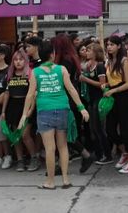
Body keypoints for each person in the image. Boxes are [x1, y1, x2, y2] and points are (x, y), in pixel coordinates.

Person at [18, 40, 90, 190]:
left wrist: (24, 115)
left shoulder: (35, 72)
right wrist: (81, 107)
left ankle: (50, 182)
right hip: (62, 109)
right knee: (63, 146)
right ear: (52, 55)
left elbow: (30, 95)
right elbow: (71, 89)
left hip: (44, 111)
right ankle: (65, 179)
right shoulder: (62, 69)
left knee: (50, 148)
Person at [53, 34, 95, 173]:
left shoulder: (65, 61)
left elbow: (65, 82)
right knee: (64, 134)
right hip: (69, 98)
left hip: (65, 99)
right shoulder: (71, 58)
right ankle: (63, 163)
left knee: (64, 133)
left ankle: (84, 155)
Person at [2, 49, 39, 172]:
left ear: (25, 60)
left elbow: (34, 94)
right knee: (15, 136)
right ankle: (20, 160)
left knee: (25, 135)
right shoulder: (10, 74)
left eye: (21, 59)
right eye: (15, 60)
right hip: (12, 106)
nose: (18, 62)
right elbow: (7, 93)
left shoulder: (30, 73)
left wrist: (31, 109)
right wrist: (3, 111)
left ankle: (34, 158)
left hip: (26, 105)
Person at [105, 35, 128, 173]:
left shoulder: (124, 60)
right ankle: (124, 152)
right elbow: (110, 79)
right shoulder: (109, 60)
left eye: (112, 44)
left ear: (118, 46)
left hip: (123, 95)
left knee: (125, 129)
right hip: (112, 94)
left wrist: (114, 90)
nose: (109, 47)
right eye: (107, 44)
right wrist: (106, 86)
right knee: (110, 128)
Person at [80, 42, 110, 164]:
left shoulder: (100, 66)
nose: (87, 52)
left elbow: (102, 84)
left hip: (98, 99)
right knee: (93, 128)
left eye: (89, 50)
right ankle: (98, 153)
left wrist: (86, 79)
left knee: (99, 128)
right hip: (91, 99)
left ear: (96, 52)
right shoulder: (88, 66)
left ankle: (106, 154)